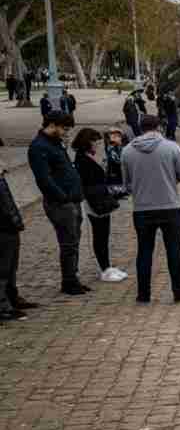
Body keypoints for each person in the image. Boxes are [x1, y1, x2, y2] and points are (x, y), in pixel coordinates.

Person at [121, 115, 180, 303]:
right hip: (170, 206)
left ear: (140, 128)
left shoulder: (127, 151)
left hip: (142, 208)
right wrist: (170, 178)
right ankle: (179, 291)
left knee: (144, 251)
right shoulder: (171, 147)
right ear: (159, 127)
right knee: (174, 250)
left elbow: (126, 184)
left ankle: (143, 294)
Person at [28, 111, 88, 295]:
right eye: (64, 128)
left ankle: (73, 277)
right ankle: (69, 282)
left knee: (74, 241)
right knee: (68, 243)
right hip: (61, 203)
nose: (66, 132)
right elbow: (44, 179)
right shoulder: (39, 147)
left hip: (72, 200)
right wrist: (63, 197)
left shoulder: (55, 143)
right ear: (52, 125)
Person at [71, 128, 127, 283]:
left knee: (104, 234)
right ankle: (104, 268)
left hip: (100, 197)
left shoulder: (90, 156)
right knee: (100, 235)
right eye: (95, 141)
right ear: (87, 142)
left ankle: (107, 266)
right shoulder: (82, 159)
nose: (97, 144)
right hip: (94, 201)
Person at [0, 162, 38, 320]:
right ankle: (3, 306)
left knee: (10, 266)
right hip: (3, 227)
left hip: (9, 226)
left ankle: (11, 297)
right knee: (3, 268)